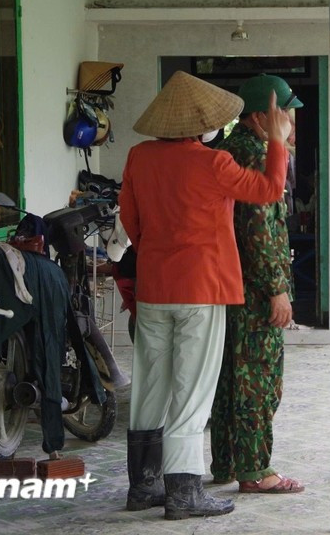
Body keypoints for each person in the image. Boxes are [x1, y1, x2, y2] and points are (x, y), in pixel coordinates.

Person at [119, 71, 292, 520]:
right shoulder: (212, 163)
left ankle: (143, 486)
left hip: (155, 286)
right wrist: (278, 142)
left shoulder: (139, 157)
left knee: (151, 387)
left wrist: (158, 255)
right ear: (201, 123)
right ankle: (183, 491)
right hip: (203, 288)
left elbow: (132, 222)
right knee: (192, 392)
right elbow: (269, 190)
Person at [210, 74, 305, 494]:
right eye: (286, 113)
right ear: (259, 117)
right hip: (253, 290)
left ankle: (227, 462)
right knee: (257, 381)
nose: (292, 122)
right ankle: (256, 470)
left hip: (229, 287)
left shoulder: (228, 151)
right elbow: (259, 229)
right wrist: (276, 287)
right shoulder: (253, 156)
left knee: (230, 377)